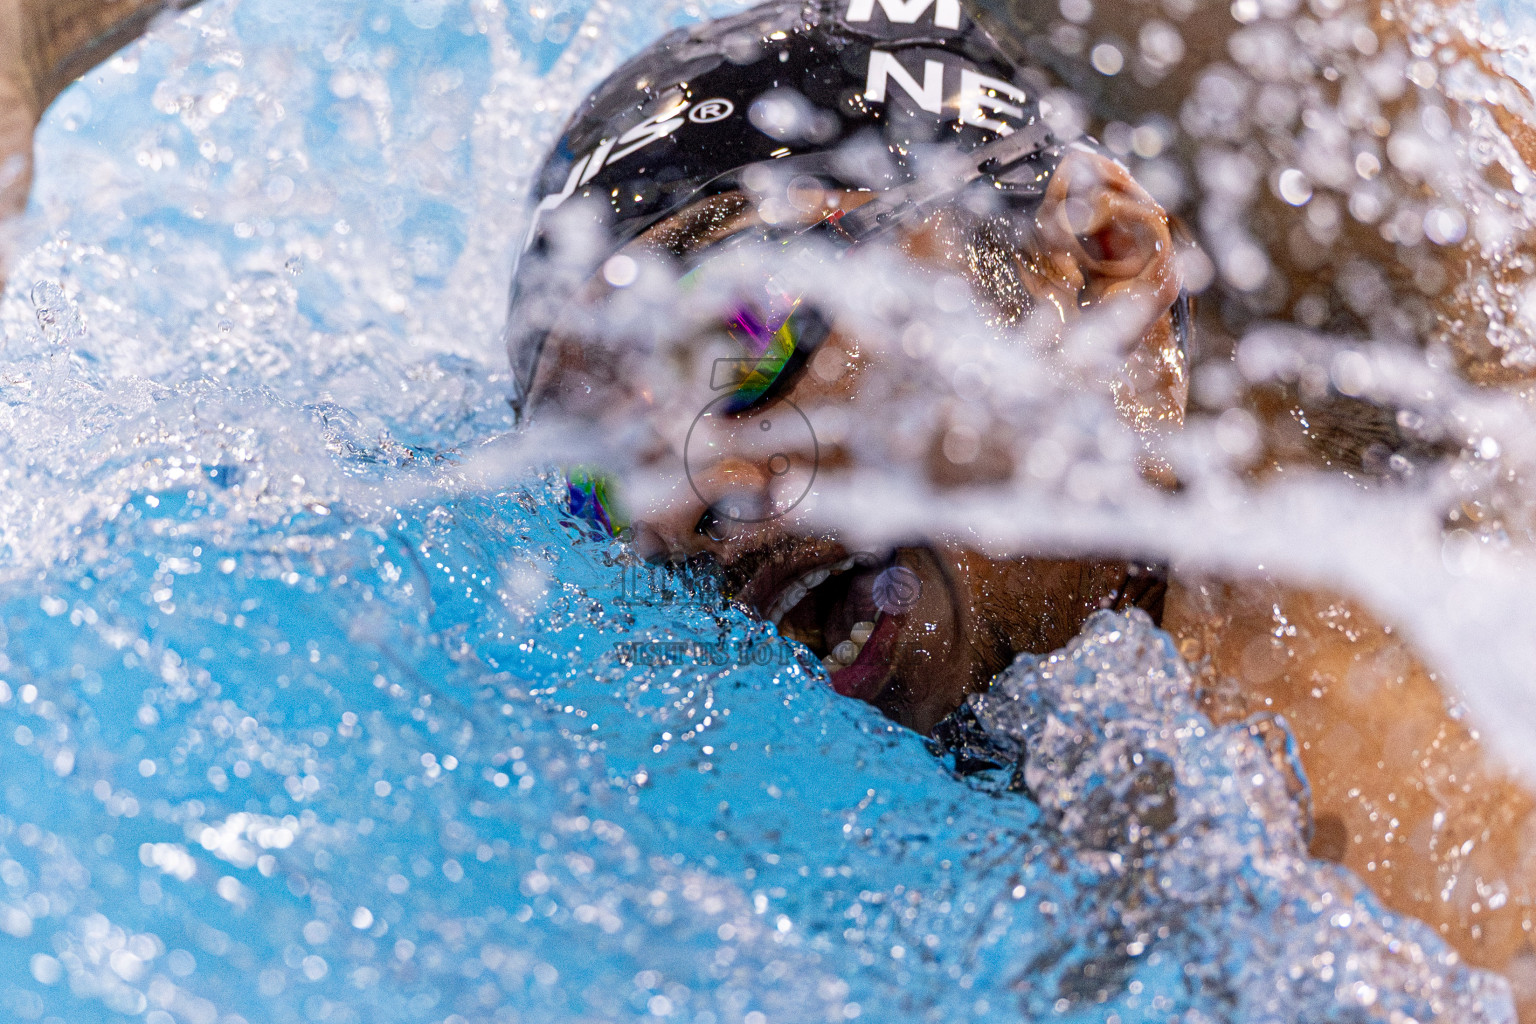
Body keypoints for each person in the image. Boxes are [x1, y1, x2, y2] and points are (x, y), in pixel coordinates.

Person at [5, 0, 1536, 1012]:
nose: (707, 500)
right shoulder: (1013, 845)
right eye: (620, 487)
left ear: (1101, 265)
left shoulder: (1462, 385)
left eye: (765, 347)